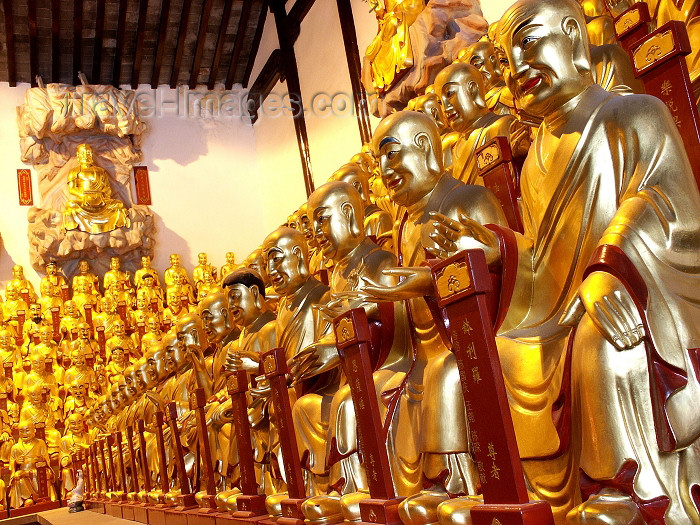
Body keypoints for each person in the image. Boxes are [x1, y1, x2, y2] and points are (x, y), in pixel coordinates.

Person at [432, 0, 700, 522]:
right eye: (508, 57)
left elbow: (667, 205)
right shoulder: (536, 156)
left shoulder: (634, 114)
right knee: (495, 356)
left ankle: (632, 491)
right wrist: (498, 252)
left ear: (575, 35)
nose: (517, 66)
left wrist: (608, 271)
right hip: (561, 310)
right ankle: (532, 499)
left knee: (599, 347)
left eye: (529, 42)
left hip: (634, 293)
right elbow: (543, 258)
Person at [63, 143, 129, 233]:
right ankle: (76, 227)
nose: (86, 156)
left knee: (118, 204)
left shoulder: (100, 171)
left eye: (88, 153)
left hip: (100, 201)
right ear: (78, 155)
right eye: (83, 154)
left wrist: (101, 195)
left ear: (91, 154)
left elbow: (107, 189)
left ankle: (117, 225)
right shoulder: (74, 171)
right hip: (84, 202)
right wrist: (84, 195)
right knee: (71, 205)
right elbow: (72, 189)